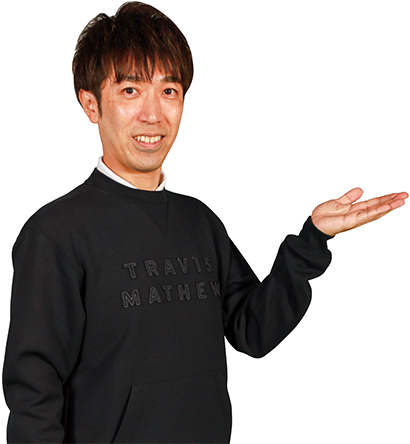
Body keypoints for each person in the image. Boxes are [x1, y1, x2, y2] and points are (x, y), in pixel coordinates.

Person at [2, 2, 407, 443]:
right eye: (131, 90)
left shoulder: (199, 222)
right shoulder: (55, 234)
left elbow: (254, 330)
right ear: (90, 104)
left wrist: (312, 240)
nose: (153, 115)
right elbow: (33, 397)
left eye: (169, 91)